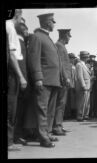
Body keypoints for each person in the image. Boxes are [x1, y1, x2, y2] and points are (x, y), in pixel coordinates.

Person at [27, 13, 61, 147]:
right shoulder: (37, 37)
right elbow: (34, 59)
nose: (54, 23)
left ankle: (47, 133)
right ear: (47, 22)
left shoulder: (46, 37)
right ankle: (43, 137)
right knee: (42, 109)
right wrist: (38, 78)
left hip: (53, 81)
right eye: (53, 21)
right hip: (44, 80)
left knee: (50, 110)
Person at [6, 9, 27, 151]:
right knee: (11, 108)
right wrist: (21, 77)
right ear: (17, 15)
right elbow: (13, 56)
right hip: (11, 73)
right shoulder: (10, 28)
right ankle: (8, 143)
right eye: (21, 18)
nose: (22, 22)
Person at [52, 29, 72, 136]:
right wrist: (66, 77)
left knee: (62, 104)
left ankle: (59, 125)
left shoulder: (62, 46)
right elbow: (60, 64)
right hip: (62, 80)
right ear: (64, 35)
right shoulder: (59, 46)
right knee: (60, 104)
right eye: (69, 36)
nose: (70, 38)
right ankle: (56, 127)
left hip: (64, 80)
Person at [13, 21, 29, 145]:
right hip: (19, 80)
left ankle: (18, 135)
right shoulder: (18, 42)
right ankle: (15, 136)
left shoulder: (22, 42)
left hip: (22, 79)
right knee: (17, 109)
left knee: (20, 109)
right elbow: (19, 62)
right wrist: (22, 78)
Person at [75, 51, 91, 121]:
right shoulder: (79, 64)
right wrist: (83, 85)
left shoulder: (85, 64)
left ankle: (85, 115)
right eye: (87, 56)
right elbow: (80, 76)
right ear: (84, 57)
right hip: (83, 86)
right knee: (82, 102)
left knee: (86, 102)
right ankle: (80, 116)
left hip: (88, 86)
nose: (88, 58)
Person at [64, 53, 77, 119]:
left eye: (74, 58)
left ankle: (71, 114)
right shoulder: (68, 66)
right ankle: (67, 114)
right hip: (69, 85)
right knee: (68, 101)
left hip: (73, 85)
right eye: (72, 58)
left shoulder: (74, 66)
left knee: (72, 101)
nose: (73, 59)